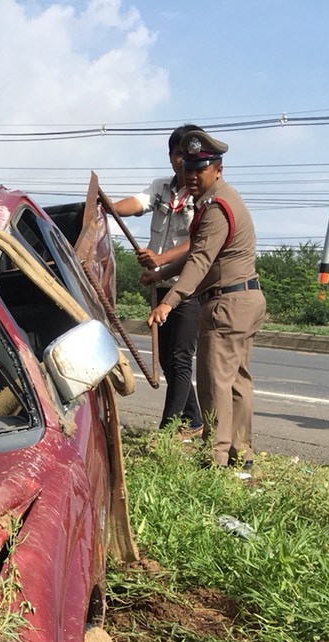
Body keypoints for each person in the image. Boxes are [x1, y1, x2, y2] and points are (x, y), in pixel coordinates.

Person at [145, 128, 266, 472]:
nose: (192, 177)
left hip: (226, 305)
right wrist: (162, 273)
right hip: (245, 299)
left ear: (218, 169)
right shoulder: (221, 200)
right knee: (238, 380)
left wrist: (169, 301)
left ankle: (215, 458)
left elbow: (200, 262)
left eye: (201, 170)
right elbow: (201, 254)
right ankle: (241, 455)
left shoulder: (215, 208)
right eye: (188, 169)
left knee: (216, 382)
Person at [109, 123, 206, 435]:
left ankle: (168, 432)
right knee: (167, 359)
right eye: (179, 154)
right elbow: (136, 203)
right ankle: (193, 420)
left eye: (190, 156)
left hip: (190, 285)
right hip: (161, 283)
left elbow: (200, 241)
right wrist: (107, 207)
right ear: (171, 156)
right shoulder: (161, 187)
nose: (184, 162)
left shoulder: (204, 194)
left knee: (179, 358)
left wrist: (162, 259)